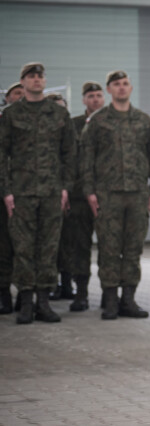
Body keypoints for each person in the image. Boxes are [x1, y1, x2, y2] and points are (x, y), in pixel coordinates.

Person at [80, 70, 150, 319]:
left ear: (131, 88)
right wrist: (89, 192)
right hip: (107, 195)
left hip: (138, 194)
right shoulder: (98, 121)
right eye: (117, 84)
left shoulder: (144, 121)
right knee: (109, 248)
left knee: (133, 248)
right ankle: (110, 300)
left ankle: (129, 299)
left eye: (125, 83)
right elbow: (86, 159)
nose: (122, 87)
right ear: (109, 90)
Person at [0, 62, 76, 325]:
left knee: (48, 247)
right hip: (20, 193)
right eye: (31, 77)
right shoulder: (10, 114)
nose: (36, 80)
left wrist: (65, 187)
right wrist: (6, 191)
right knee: (22, 247)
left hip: (52, 191)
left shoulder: (58, 114)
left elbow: (69, 153)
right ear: (22, 82)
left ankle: (43, 301)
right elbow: (2, 155)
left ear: (44, 82)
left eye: (40, 76)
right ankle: (25, 302)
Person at [55, 81, 105, 310]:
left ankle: (110, 293)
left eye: (98, 95)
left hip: (106, 195)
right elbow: (63, 158)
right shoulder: (72, 125)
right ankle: (81, 294)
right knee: (79, 247)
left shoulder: (112, 121)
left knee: (109, 248)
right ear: (84, 100)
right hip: (78, 196)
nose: (95, 99)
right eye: (91, 96)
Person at [0, 82, 26, 314]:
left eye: (22, 93)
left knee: (23, 247)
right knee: (3, 248)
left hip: (23, 194)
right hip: (3, 193)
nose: (20, 97)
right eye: (15, 93)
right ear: (6, 98)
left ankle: (24, 295)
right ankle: (3, 294)